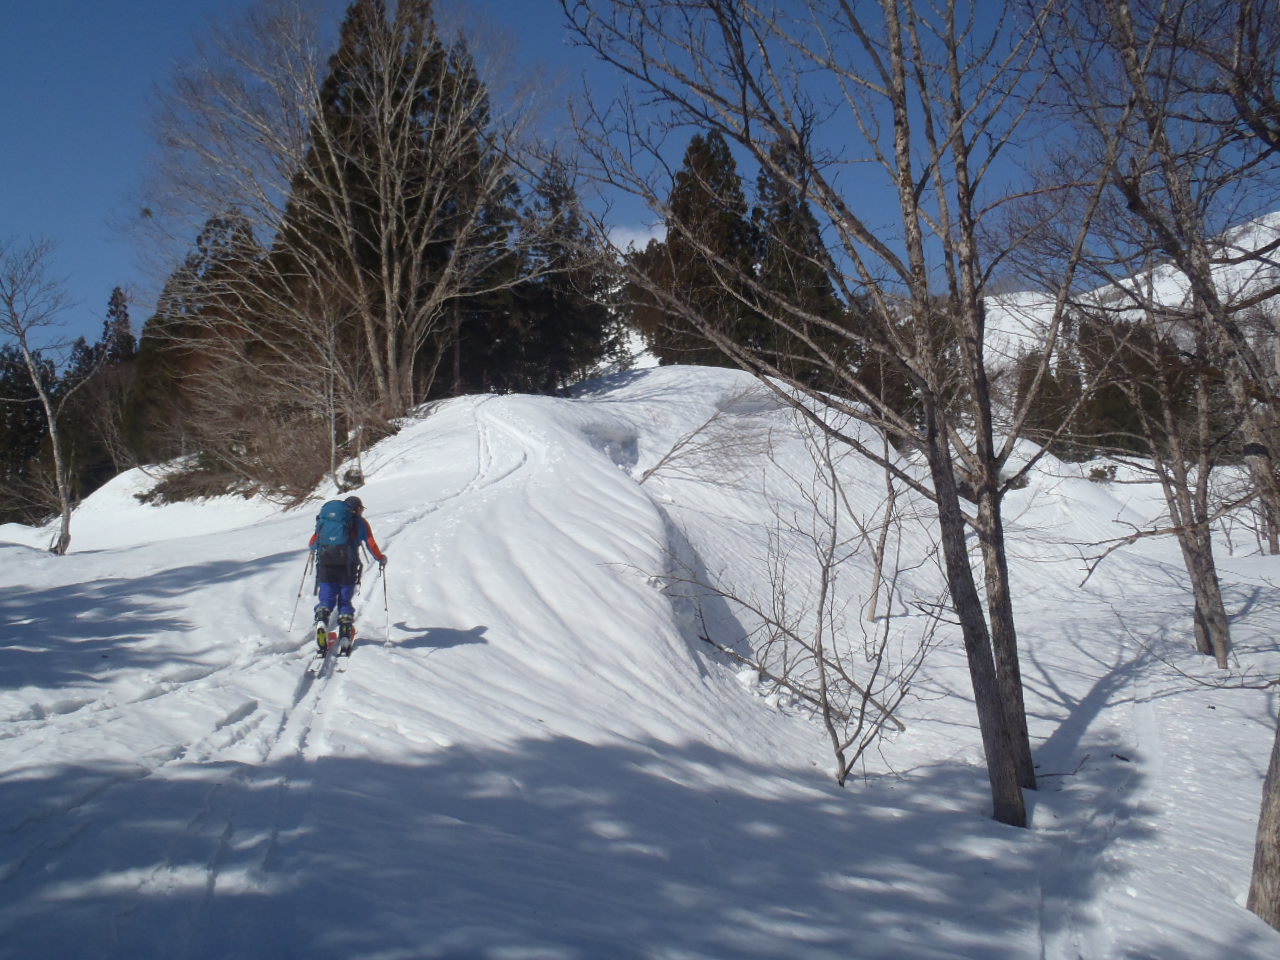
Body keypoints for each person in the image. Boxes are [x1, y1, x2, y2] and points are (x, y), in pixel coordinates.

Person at [309, 495, 387, 654]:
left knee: (327, 598)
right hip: (348, 567)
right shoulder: (360, 522)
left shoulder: (327, 520)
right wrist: (380, 558)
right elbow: (371, 544)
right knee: (344, 601)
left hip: (325, 565)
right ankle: (345, 634)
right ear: (358, 509)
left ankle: (322, 619)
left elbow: (313, 544)